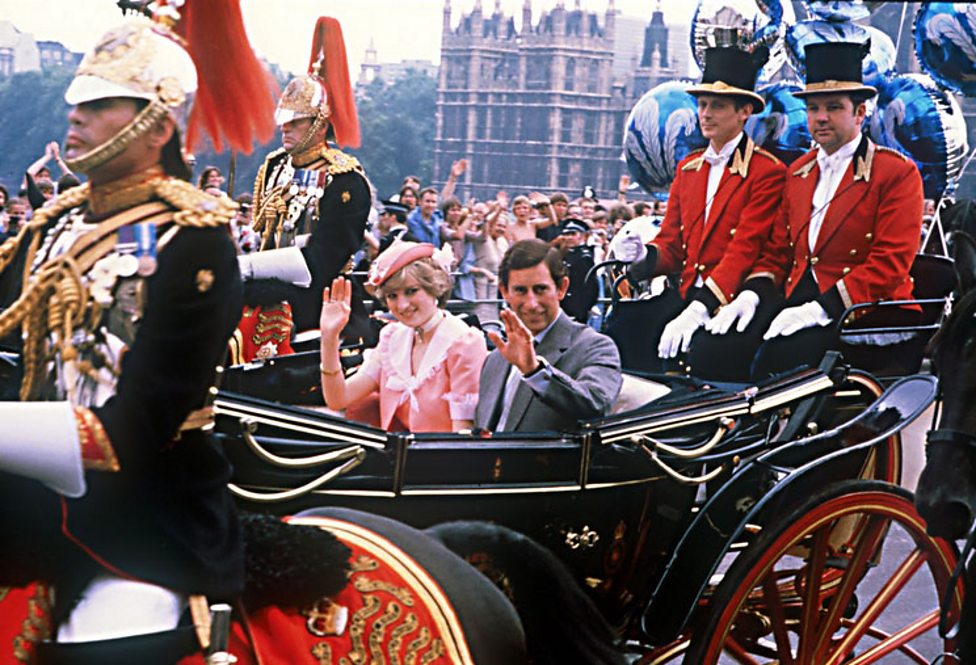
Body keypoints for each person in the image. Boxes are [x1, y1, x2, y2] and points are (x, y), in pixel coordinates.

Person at [0, 4, 275, 659]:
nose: (76, 115)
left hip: (146, 518)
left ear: (159, 122)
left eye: (102, 103)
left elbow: (134, 430)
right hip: (30, 500)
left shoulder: (196, 240)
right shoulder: (57, 224)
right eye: (78, 101)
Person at [703, 42, 925, 380]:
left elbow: (889, 262)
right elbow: (777, 252)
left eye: (834, 107)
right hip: (799, 298)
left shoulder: (896, 172)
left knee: (777, 363)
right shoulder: (798, 173)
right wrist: (749, 296)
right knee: (714, 350)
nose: (821, 117)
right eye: (813, 108)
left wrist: (820, 309)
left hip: (864, 311)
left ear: (860, 113)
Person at [616, 45, 785, 375]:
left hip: (734, 300)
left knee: (704, 357)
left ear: (744, 112)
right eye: (703, 104)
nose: (705, 113)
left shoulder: (767, 172)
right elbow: (672, 246)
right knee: (624, 329)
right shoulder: (688, 169)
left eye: (718, 106)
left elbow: (744, 249)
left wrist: (700, 307)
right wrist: (642, 257)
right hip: (687, 293)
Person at [243, 16, 371, 352]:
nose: (285, 129)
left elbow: (323, 259)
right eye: (284, 122)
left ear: (318, 123)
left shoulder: (344, 180)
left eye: (296, 123)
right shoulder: (273, 167)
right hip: (262, 295)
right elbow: (263, 235)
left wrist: (255, 274)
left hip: (317, 304)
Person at [320, 242, 487, 432]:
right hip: (398, 455)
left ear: (434, 287)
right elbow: (338, 398)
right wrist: (330, 337)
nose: (402, 305)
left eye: (411, 291)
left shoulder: (464, 342)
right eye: (392, 296)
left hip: (445, 458)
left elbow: (462, 439)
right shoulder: (391, 337)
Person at [474, 239, 622, 432]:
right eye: (520, 290)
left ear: (561, 288)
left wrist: (535, 372)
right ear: (504, 292)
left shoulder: (595, 347)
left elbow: (596, 404)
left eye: (540, 289)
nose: (531, 303)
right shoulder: (495, 359)